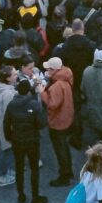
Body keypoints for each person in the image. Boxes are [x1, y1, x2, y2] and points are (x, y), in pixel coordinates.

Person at [3, 79, 47, 203]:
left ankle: (21, 195)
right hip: (32, 140)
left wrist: (8, 137)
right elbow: (41, 124)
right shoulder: (35, 105)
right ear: (29, 91)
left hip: (17, 140)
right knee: (34, 169)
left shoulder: (12, 104)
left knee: (19, 167)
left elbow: (6, 122)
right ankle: (35, 196)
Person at [42, 57, 76, 187]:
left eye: (48, 69)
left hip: (58, 120)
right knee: (64, 146)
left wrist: (42, 93)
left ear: (53, 70)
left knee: (60, 148)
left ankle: (65, 175)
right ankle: (68, 171)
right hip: (66, 116)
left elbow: (52, 104)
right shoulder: (65, 78)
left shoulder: (57, 85)